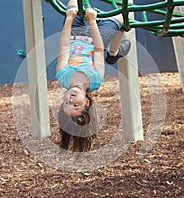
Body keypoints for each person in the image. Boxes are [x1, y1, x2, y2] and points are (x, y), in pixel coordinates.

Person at [56, 0, 131, 152]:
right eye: (75, 105)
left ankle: (113, 54)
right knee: (123, 14)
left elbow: (64, 47)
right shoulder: (95, 79)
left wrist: (69, 18)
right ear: (86, 103)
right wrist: (92, 22)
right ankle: (112, 53)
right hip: (98, 37)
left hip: (74, 32)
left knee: (73, 3)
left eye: (66, 104)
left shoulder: (63, 76)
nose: (70, 100)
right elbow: (98, 50)